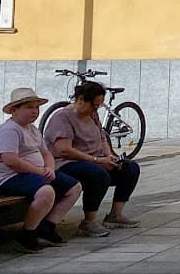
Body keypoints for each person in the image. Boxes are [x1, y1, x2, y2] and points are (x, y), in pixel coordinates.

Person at [0, 86, 81, 253]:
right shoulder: (9, 130)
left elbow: (46, 153)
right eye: (29, 107)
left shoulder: (32, 129)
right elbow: (11, 161)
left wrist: (50, 168)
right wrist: (39, 172)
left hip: (35, 173)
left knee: (74, 188)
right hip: (9, 177)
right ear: (14, 110)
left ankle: (47, 227)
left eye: (36, 107)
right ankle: (27, 234)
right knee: (46, 192)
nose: (34, 111)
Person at [43, 80, 141, 236]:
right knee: (97, 174)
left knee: (130, 168)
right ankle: (88, 221)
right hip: (67, 163)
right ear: (81, 100)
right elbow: (64, 150)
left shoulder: (93, 116)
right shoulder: (62, 117)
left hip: (95, 160)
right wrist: (96, 160)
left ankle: (115, 215)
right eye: (93, 105)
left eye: (98, 106)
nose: (95, 109)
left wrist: (109, 156)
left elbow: (102, 138)